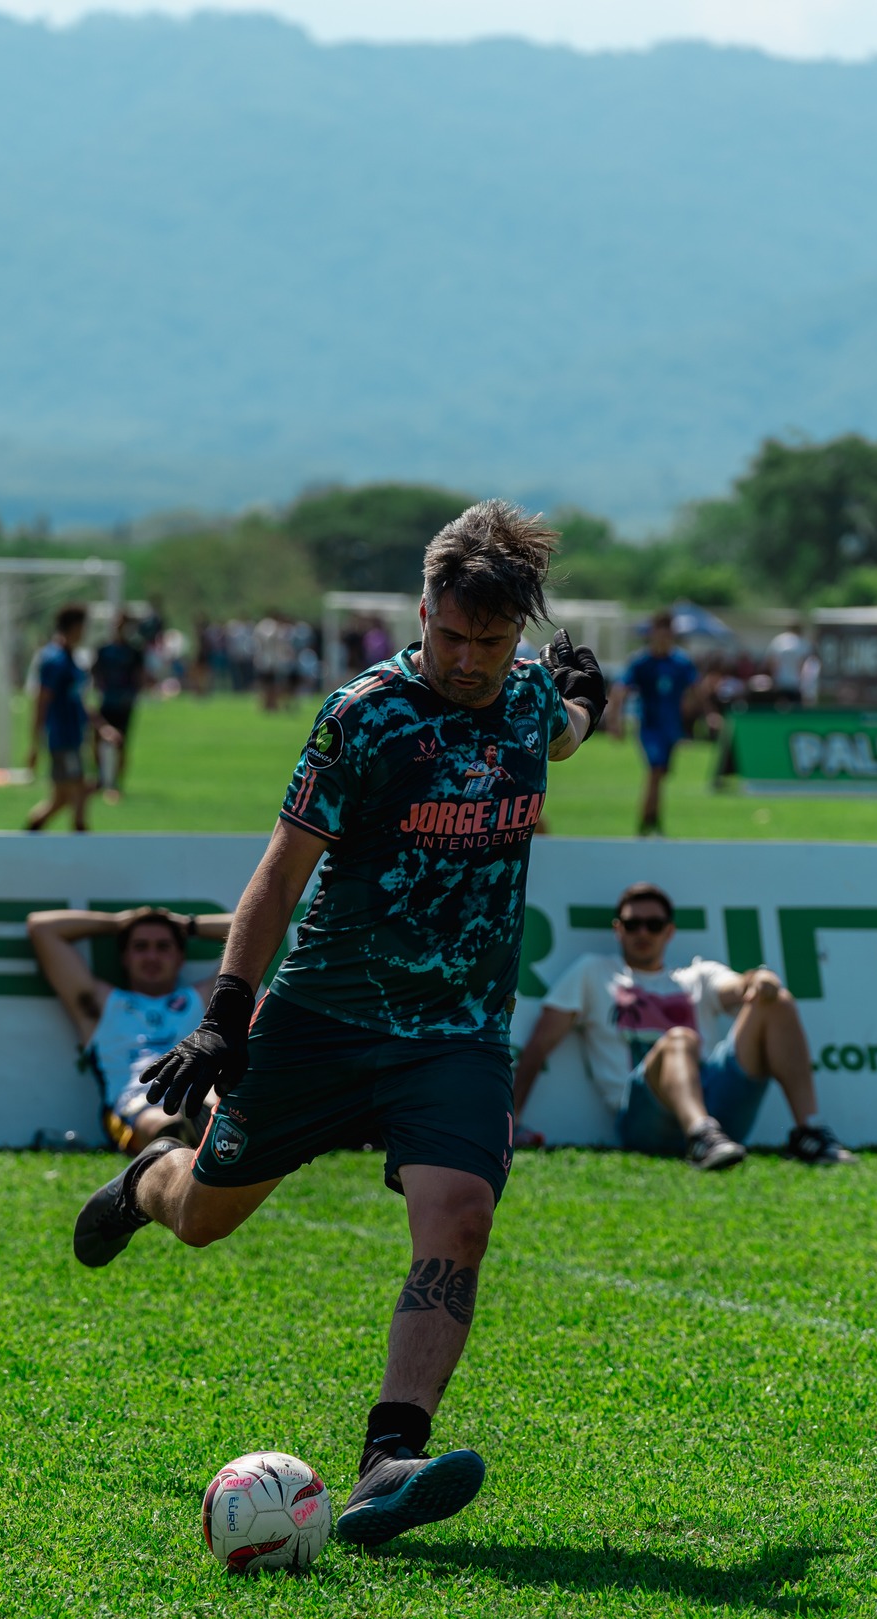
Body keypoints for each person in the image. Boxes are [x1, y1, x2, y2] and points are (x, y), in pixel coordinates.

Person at [69, 500, 607, 1546]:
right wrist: (226, 1013)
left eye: (489, 644)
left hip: (454, 1035)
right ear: (421, 611)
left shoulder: (528, 697)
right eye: (449, 636)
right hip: (321, 1014)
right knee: (208, 1215)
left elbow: (565, 725)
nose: (465, 660)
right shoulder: (364, 715)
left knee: (460, 1217)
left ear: (517, 638)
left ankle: (387, 1456)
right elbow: (280, 872)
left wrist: (592, 702)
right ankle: (147, 1179)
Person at [512, 881, 852, 1170]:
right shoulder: (592, 972)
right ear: (618, 929)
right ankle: (701, 1134)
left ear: (669, 931)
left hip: (718, 1104)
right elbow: (539, 1046)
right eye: (633, 925)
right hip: (643, 1114)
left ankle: (809, 1131)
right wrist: (508, 1124)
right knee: (680, 1040)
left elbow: (739, 987)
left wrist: (760, 978)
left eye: (654, 925)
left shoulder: (697, 976)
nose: (643, 933)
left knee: (776, 1000)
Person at [27, 905, 236, 1153]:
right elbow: (42, 927)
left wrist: (188, 925)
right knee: (161, 1121)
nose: (151, 957)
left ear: (181, 957)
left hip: (201, 1091)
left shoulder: (206, 999)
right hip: (139, 1105)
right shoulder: (102, 1004)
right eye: (140, 947)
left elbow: (258, 925)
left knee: (213, 1097)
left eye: (163, 947)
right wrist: (118, 923)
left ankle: (202, 1127)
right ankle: (189, 1134)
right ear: (124, 957)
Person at [612, 609, 697, 836]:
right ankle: (645, 824)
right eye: (659, 632)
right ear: (652, 633)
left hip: (671, 729)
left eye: (667, 633)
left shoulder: (680, 661)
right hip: (649, 727)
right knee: (655, 772)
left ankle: (653, 819)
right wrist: (615, 721)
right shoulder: (642, 662)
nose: (662, 638)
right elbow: (620, 691)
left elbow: (694, 690)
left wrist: (695, 715)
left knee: (660, 776)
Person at [25, 605, 92, 831]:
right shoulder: (53, 660)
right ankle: (82, 849)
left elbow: (77, 699)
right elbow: (41, 702)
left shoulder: (73, 658)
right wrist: (34, 744)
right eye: (84, 626)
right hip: (62, 738)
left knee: (61, 799)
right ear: (74, 627)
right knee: (79, 793)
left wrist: (99, 726)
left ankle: (29, 834)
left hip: (75, 736)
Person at [92, 611, 146, 801]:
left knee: (121, 743)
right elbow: (95, 672)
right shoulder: (104, 649)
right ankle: (100, 777)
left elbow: (140, 675)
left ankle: (115, 782)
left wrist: (134, 694)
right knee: (97, 739)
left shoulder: (134, 651)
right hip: (106, 701)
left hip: (124, 703)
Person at [765, 619, 810, 707]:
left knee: (779, 709)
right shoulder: (802, 642)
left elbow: (771, 661)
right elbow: (803, 665)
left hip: (780, 680)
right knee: (795, 711)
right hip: (795, 682)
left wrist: (774, 676)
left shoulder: (778, 640)